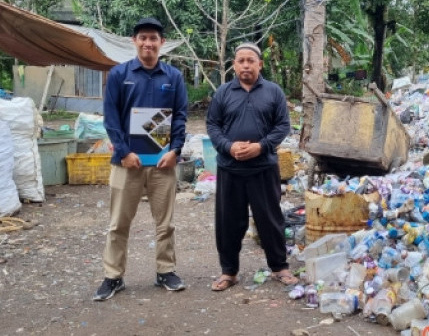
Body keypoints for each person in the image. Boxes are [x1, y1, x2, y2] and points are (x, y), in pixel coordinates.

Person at [93, 17, 188, 301]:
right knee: (118, 224)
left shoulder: (174, 77)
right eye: (143, 38)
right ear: (134, 42)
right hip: (127, 164)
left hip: (162, 163)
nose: (148, 43)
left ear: (162, 43)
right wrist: (123, 152)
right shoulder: (119, 75)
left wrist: (175, 151)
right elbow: (111, 119)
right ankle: (113, 276)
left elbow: (181, 117)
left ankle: (165, 271)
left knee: (165, 223)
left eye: (154, 38)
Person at [206, 42, 297, 291]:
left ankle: (279, 267)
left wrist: (260, 146)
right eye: (241, 61)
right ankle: (229, 272)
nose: (245, 65)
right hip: (230, 168)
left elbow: (282, 126)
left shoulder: (274, 92)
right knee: (228, 222)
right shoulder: (223, 93)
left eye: (250, 60)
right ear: (234, 65)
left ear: (260, 64)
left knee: (270, 219)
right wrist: (228, 146)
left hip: (263, 168)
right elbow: (213, 125)